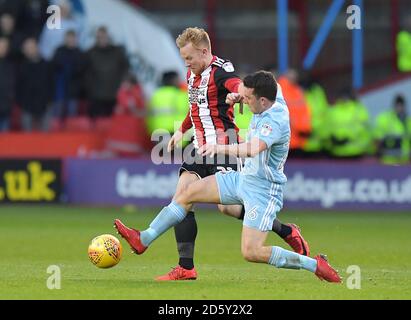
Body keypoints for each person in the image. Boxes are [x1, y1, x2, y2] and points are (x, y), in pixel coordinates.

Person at [114, 71, 341, 283]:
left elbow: (252, 149)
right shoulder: (273, 92)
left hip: (262, 190)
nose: (245, 101)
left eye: (249, 99)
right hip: (242, 179)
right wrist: (237, 95)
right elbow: (264, 81)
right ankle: (144, 238)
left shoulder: (276, 121)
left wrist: (218, 148)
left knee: (251, 252)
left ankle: (314, 265)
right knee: (186, 194)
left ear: (263, 101)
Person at [147, 27, 310, 281]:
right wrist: (181, 130)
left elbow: (234, 83)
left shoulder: (222, 71)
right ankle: (185, 266)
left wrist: (237, 94)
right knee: (183, 197)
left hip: (223, 144)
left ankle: (284, 229)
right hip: (200, 146)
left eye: (189, 58)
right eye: (183, 58)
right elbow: (196, 106)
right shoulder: (192, 75)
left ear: (203, 52)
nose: (186, 63)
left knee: (226, 208)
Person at [374, 95, 411, 164]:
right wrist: (379, 154)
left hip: (405, 162)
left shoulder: (408, 121)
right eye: (398, 105)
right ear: (394, 106)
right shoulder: (385, 120)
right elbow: (377, 139)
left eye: (401, 105)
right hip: (388, 161)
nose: (399, 108)